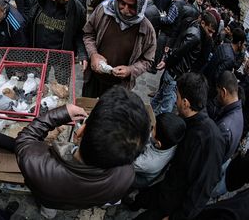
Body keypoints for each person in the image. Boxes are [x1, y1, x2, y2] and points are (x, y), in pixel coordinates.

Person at [16, 86, 150, 217]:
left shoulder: (37, 166)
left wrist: (61, 113)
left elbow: (24, 139)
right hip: (78, 203)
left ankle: (48, 214)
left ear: (81, 131)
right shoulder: (126, 176)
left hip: (49, 199)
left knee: (48, 207)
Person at [133, 73, 225, 220]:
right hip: (165, 185)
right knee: (142, 199)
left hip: (175, 202)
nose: (175, 101)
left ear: (186, 103)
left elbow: (202, 190)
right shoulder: (187, 120)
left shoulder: (210, 141)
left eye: (177, 96)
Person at [83, 0, 156, 97]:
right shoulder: (104, 11)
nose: (125, 10)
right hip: (93, 79)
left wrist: (131, 70)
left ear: (140, 6)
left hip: (119, 88)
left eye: (132, 6)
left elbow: (148, 60)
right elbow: (88, 34)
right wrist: (93, 54)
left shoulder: (146, 29)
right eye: (122, 3)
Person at [151, 12, 217, 115]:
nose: (211, 35)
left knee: (161, 95)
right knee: (167, 107)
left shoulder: (198, 32)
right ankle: (159, 125)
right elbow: (178, 52)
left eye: (212, 32)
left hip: (175, 72)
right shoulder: (195, 35)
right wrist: (167, 61)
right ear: (203, 23)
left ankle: (149, 112)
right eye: (209, 31)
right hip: (175, 73)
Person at [28, 0, 87, 66]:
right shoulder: (39, 0)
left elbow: (80, 35)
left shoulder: (78, 9)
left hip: (62, 60)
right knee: (39, 80)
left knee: (61, 81)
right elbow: (30, 25)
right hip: (39, 56)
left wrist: (82, 54)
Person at [210, 71, 244, 197]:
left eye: (218, 92)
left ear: (223, 92)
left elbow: (211, 159)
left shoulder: (225, 127)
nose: (216, 96)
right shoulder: (238, 112)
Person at [133, 112, 186, 188]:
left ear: (158, 143)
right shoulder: (173, 139)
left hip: (140, 177)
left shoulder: (146, 162)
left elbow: (129, 162)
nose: (152, 127)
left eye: (154, 129)